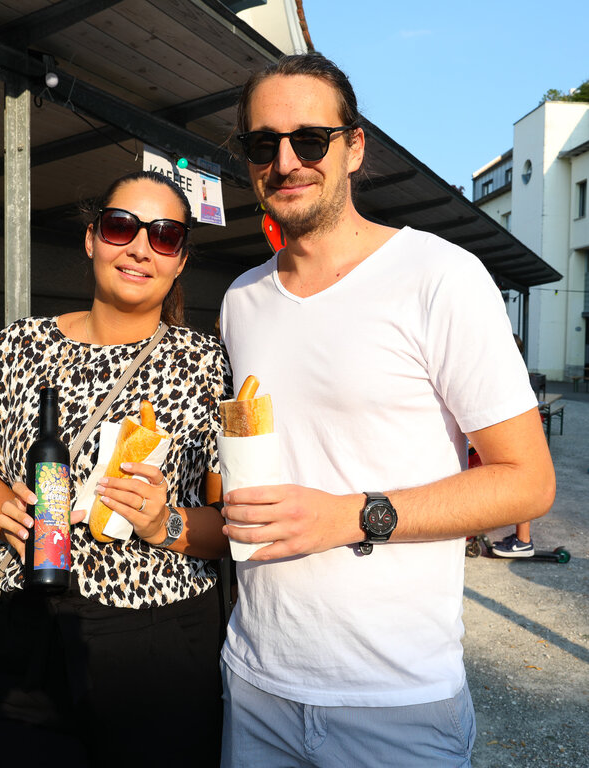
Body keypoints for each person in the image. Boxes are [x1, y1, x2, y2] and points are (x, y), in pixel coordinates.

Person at [218, 53, 555, 767]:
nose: (286, 161)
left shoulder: (440, 277)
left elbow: (527, 481)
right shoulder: (240, 300)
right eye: (262, 143)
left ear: (354, 148)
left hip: (395, 704)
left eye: (310, 140)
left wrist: (348, 515)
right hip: (254, 688)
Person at [0, 170, 232, 766]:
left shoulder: (205, 363)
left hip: (156, 640)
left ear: (180, 261)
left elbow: (227, 523)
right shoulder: (18, 346)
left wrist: (166, 525)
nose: (138, 247)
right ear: (91, 239)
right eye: (121, 226)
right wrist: (5, 513)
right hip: (27, 624)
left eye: (164, 236)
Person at [491, 333, 536, 557]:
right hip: (520, 433)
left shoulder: (510, 372)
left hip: (518, 435)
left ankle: (523, 541)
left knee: (520, 486)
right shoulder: (515, 369)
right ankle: (521, 537)